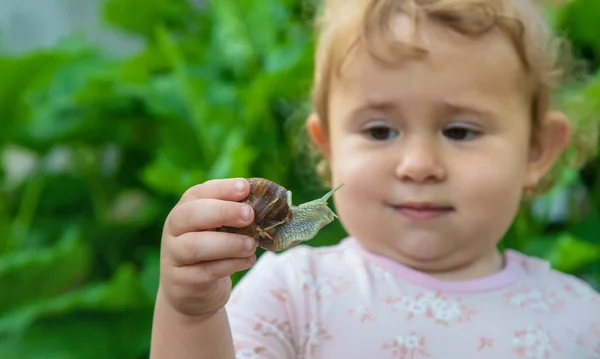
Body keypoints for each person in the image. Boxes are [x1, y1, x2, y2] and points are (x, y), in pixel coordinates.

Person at [149, 0, 600, 358]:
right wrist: (190, 316)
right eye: (380, 131)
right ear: (328, 146)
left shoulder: (581, 321)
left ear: (537, 150)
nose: (418, 164)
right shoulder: (295, 297)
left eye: (460, 131)